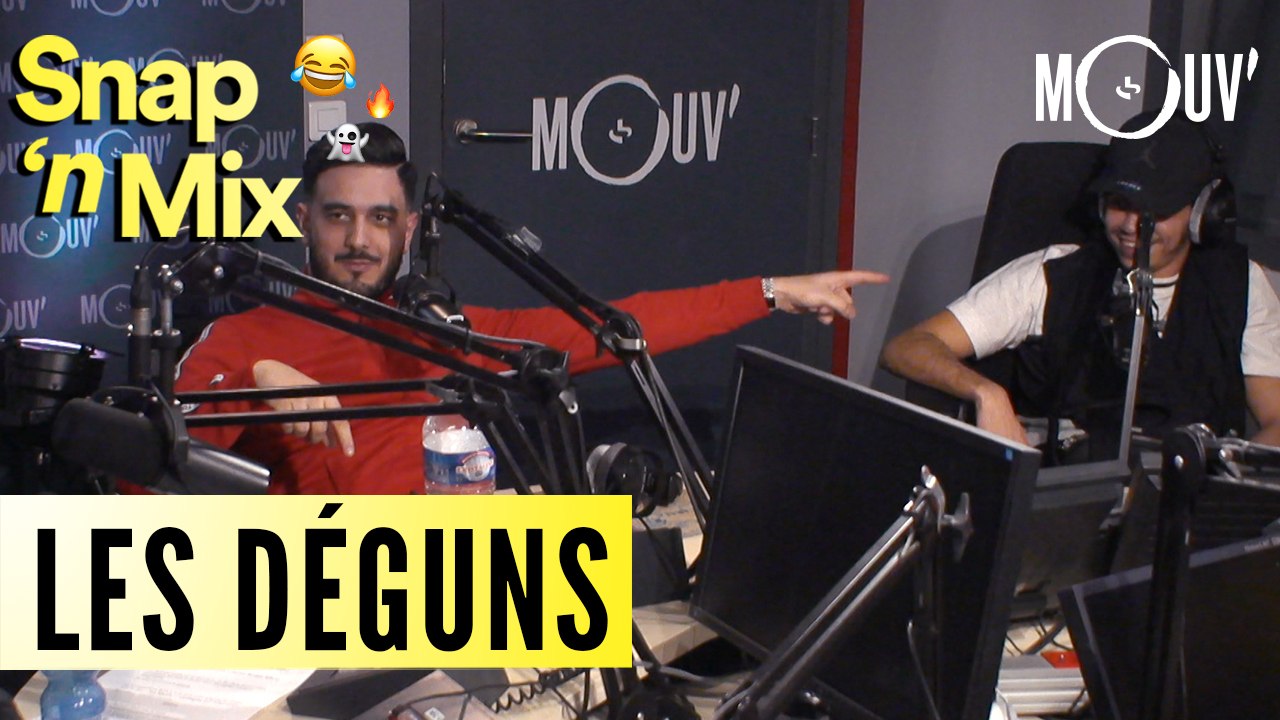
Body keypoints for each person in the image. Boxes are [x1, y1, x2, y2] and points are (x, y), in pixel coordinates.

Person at [175, 122, 888, 493]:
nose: (360, 240)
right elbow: (148, 470)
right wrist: (256, 384)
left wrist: (771, 292)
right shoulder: (241, 339)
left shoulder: (440, 329)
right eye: (339, 216)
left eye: (381, 218)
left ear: (410, 229)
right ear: (304, 220)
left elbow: (608, 328)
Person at [881, 112, 1280, 452]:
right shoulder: (1053, 274)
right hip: (1067, 495)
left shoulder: (1240, 286)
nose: (1131, 227)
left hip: (1187, 500)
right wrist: (987, 394)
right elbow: (908, 347)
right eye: (1119, 205)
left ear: (1202, 214)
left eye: (1155, 211)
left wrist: (1222, 486)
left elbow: (1277, 420)